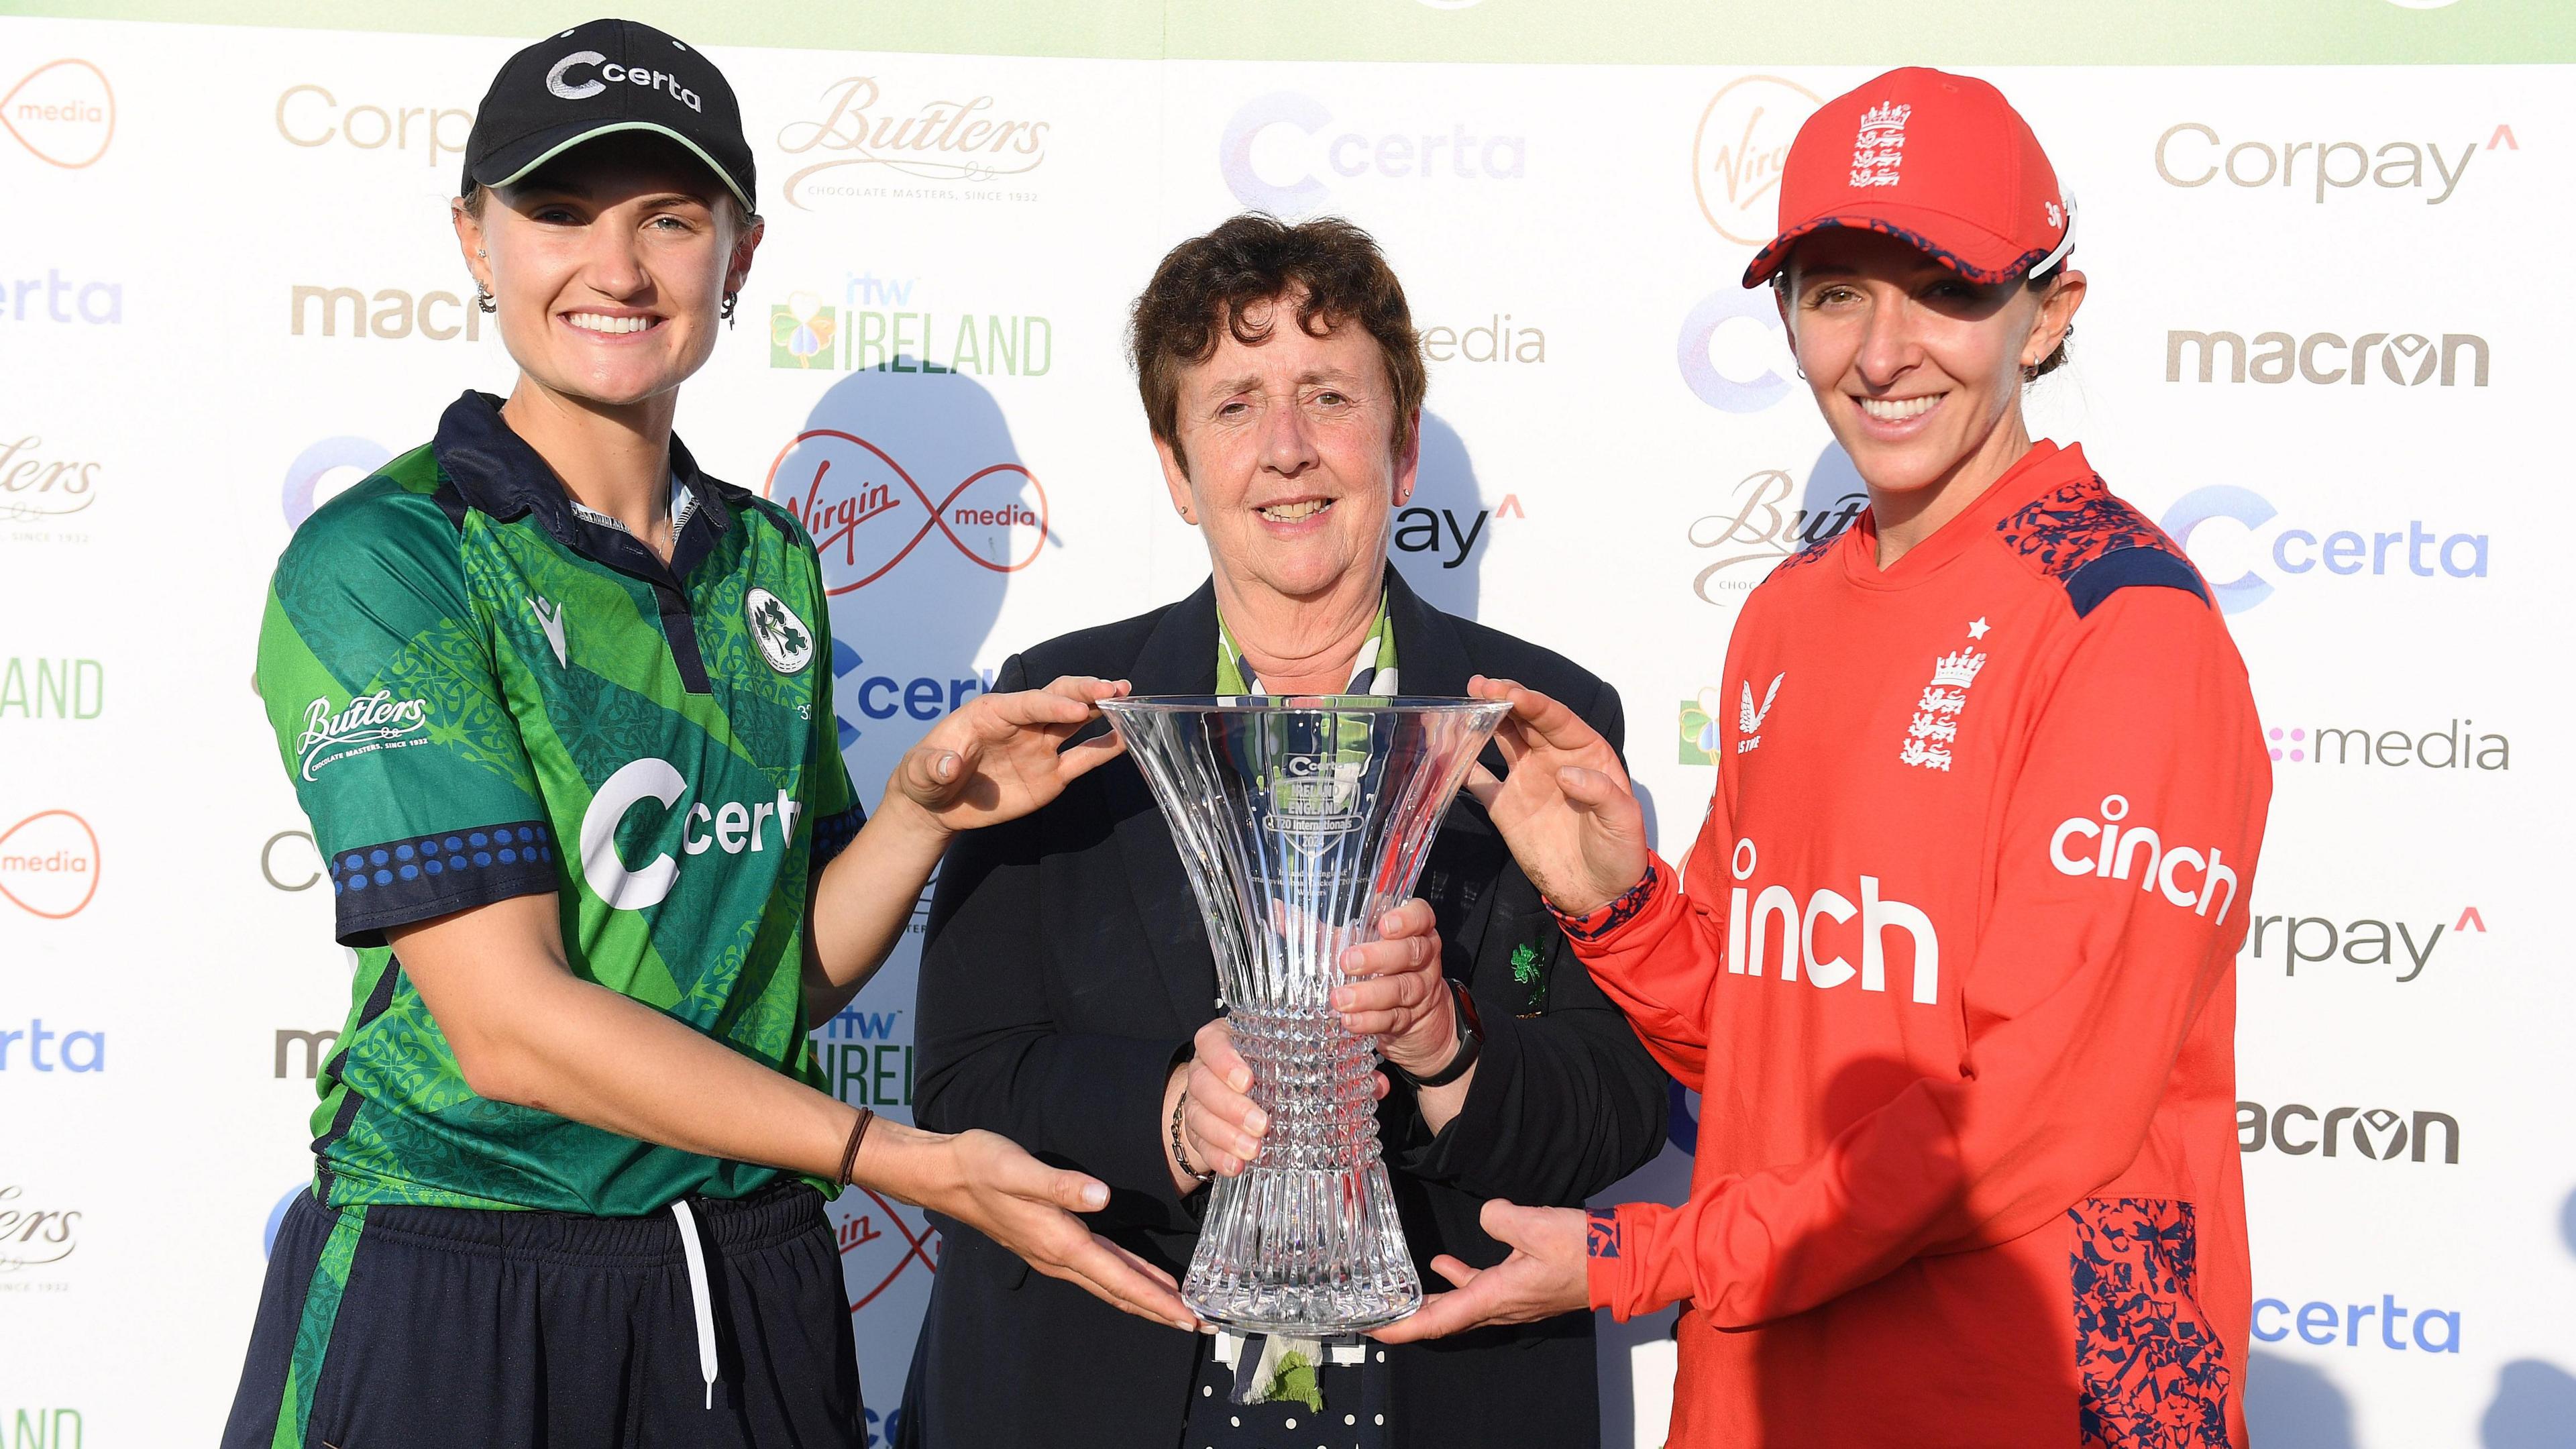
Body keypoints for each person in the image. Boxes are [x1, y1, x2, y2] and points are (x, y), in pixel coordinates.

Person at [223, 21, 1187, 1449]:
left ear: (739, 254)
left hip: (743, 1274)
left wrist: (922, 816)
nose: (615, 269)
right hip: (464, 1272)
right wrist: (894, 1161)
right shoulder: (391, 562)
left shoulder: (769, 560)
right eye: (558, 213)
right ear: (473, 242)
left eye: (669, 220)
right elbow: (508, 1029)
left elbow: (770, 987)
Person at [1385, 68, 2273, 1448]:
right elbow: (1765, 1042)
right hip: (1766, 1387)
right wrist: (1619, 912)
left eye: (1944, 288)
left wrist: (1651, 1257)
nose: (1881, 351)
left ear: (2049, 317)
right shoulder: (1787, 613)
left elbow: (2031, 1118)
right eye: (1835, 289)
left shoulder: (2123, 621)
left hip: (2035, 1395)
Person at [896, 214, 1669, 1449]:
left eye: (1328, 395)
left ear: (1401, 448)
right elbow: (960, 1079)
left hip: (1448, 1393)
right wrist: (1167, 1114)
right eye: (1235, 404)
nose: (1289, 450)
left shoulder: (1534, 722)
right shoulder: (1063, 710)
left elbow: (1622, 1103)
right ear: (1174, 463)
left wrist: (1449, 1053)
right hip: (1095, 1394)